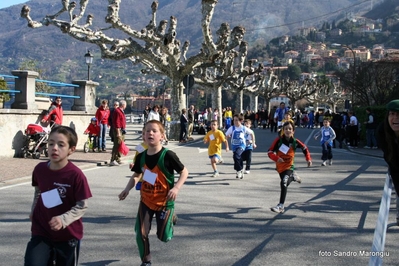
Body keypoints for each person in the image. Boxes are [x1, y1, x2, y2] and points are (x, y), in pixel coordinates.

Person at [118, 120, 188, 266]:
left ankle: (171, 218)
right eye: (147, 131)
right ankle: (146, 261)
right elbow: (137, 175)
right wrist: (127, 189)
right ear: (143, 136)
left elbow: (184, 172)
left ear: (162, 136)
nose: (150, 133)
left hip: (164, 202)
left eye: (154, 131)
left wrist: (176, 188)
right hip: (146, 200)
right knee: (141, 233)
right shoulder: (141, 156)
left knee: (164, 237)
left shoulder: (168, 155)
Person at [24, 126, 92, 266]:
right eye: (51, 143)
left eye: (61, 145)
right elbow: (39, 191)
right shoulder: (40, 169)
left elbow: (81, 206)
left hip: (67, 235)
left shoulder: (76, 175)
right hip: (41, 230)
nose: (54, 148)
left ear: (71, 150)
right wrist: (34, 209)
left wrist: (63, 219)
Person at [268, 121, 312, 213]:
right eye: (286, 129)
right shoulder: (278, 141)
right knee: (285, 183)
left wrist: (308, 159)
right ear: (283, 131)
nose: (288, 130)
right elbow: (269, 152)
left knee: (283, 183)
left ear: (293, 131)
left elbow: (305, 148)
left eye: (290, 129)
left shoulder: (295, 142)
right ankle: (293, 177)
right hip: (280, 167)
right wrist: (276, 158)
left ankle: (280, 206)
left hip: (289, 167)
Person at [377, 99, 399, 225]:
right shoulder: (382, 131)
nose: (395, 118)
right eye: (392, 114)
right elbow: (390, 158)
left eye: (398, 114)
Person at [225, 114, 249, 179]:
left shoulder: (243, 128)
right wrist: (227, 146)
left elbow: (251, 133)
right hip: (234, 146)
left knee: (236, 156)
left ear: (241, 121)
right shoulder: (232, 128)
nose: (234, 122)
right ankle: (240, 169)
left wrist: (253, 142)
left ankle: (239, 170)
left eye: (236, 120)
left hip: (242, 145)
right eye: (234, 120)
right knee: (237, 158)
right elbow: (226, 136)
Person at [110, 100, 127, 166]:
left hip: (122, 130)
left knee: (120, 145)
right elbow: (116, 122)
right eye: (125, 105)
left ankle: (117, 159)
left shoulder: (121, 111)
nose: (126, 106)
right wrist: (118, 132)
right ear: (123, 105)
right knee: (116, 145)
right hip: (118, 130)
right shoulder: (117, 111)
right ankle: (113, 159)